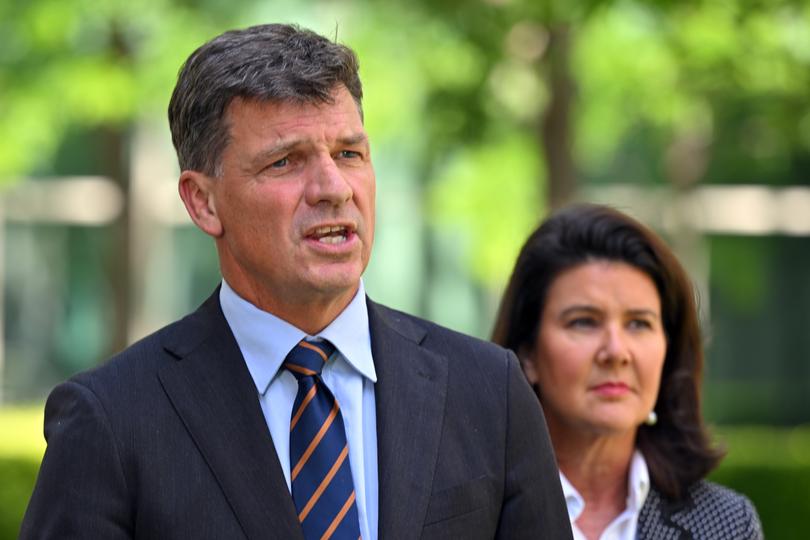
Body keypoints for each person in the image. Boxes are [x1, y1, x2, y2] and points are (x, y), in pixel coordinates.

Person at [20, 24, 572, 540]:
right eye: (286, 162)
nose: (334, 187)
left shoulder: (489, 393)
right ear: (203, 202)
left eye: (349, 154)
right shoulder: (111, 421)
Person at [492, 204, 763, 540]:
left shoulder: (725, 524)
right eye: (584, 322)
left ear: (668, 349)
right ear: (527, 353)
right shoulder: (470, 514)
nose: (616, 352)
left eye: (639, 323)